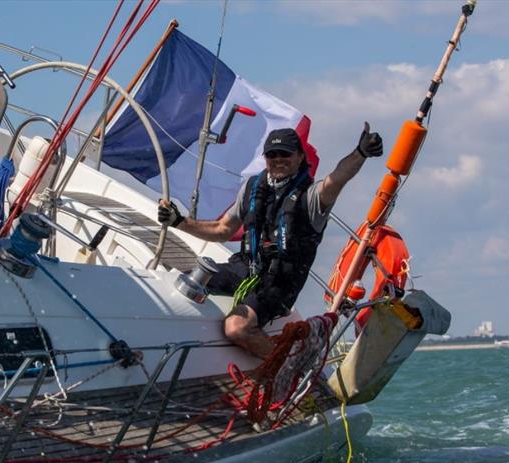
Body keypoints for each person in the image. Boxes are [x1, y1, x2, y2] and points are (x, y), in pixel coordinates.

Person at [158, 123, 383, 359]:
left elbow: (337, 178)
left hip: (280, 281)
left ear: (299, 157)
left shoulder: (313, 198)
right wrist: (178, 221)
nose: (278, 159)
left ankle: (289, 365)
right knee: (179, 280)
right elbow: (222, 229)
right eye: (272, 154)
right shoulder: (252, 188)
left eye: (285, 153)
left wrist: (361, 153)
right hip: (245, 267)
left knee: (236, 327)